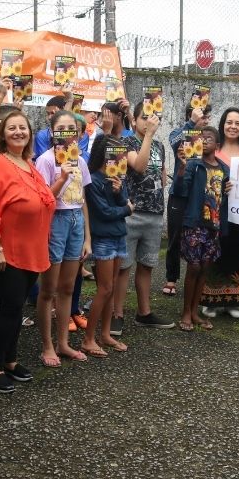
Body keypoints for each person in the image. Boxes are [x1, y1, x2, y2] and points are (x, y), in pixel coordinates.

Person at [0, 111, 56, 393]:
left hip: (30, 251)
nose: (18, 132)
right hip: (6, 251)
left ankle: (10, 360)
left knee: (17, 307)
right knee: (9, 308)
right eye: (11, 128)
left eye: (22, 128)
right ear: (2, 135)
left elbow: (45, 200)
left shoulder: (28, 164)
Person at [35, 110, 93, 366]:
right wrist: (62, 176)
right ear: (52, 132)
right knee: (48, 290)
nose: (68, 133)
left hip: (75, 223)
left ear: (79, 134)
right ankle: (47, 346)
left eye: (73, 128)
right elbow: (43, 199)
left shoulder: (80, 161)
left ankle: (63, 343)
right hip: (54, 222)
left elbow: (83, 201)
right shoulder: (46, 160)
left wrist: (87, 238)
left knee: (68, 287)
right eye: (62, 128)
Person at [113, 102, 174, 333]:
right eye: (143, 117)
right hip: (132, 213)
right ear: (134, 120)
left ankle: (144, 312)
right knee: (123, 267)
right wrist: (148, 135)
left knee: (147, 265)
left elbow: (162, 176)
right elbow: (138, 166)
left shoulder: (159, 145)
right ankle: (117, 313)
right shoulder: (126, 142)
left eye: (152, 117)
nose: (149, 121)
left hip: (155, 213)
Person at [202, 108, 239, 318]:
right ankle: (211, 300)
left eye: (237, 123)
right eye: (229, 122)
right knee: (217, 251)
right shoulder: (214, 150)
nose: (233, 127)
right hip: (219, 209)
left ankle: (236, 301)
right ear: (222, 124)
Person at [82, 134, 133, 357]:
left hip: (119, 236)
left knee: (111, 287)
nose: (120, 156)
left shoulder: (116, 178)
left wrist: (119, 192)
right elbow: (104, 212)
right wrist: (126, 209)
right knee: (104, 289)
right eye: (115, 152)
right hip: (103, 239)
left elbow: (124, 202)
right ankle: (88, 339)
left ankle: (105, 334)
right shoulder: (92, 180)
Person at [178, 125, 231, 331]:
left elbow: (222, 197)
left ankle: (195, 312)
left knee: (205, 268)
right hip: (194, 223)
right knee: (194, 267)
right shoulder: (194, 165)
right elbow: (182, 190)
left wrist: (228, 190)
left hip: (213, 226)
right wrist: (182, 168)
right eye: (201, 138)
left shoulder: (224, 169)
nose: (205, 140)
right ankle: (185, 312)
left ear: (217, 145)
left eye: (209, 138)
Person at [164, 103, 209, 297]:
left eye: (207, 117)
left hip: (202, 196)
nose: (205, 119)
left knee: (203, 240)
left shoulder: (210, 138)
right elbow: (174, 142)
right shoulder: (180, 132)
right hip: (180, 194)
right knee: (175, 238)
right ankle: (171, 278)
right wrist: (191, 123)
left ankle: (200, 281)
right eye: (201, 116)